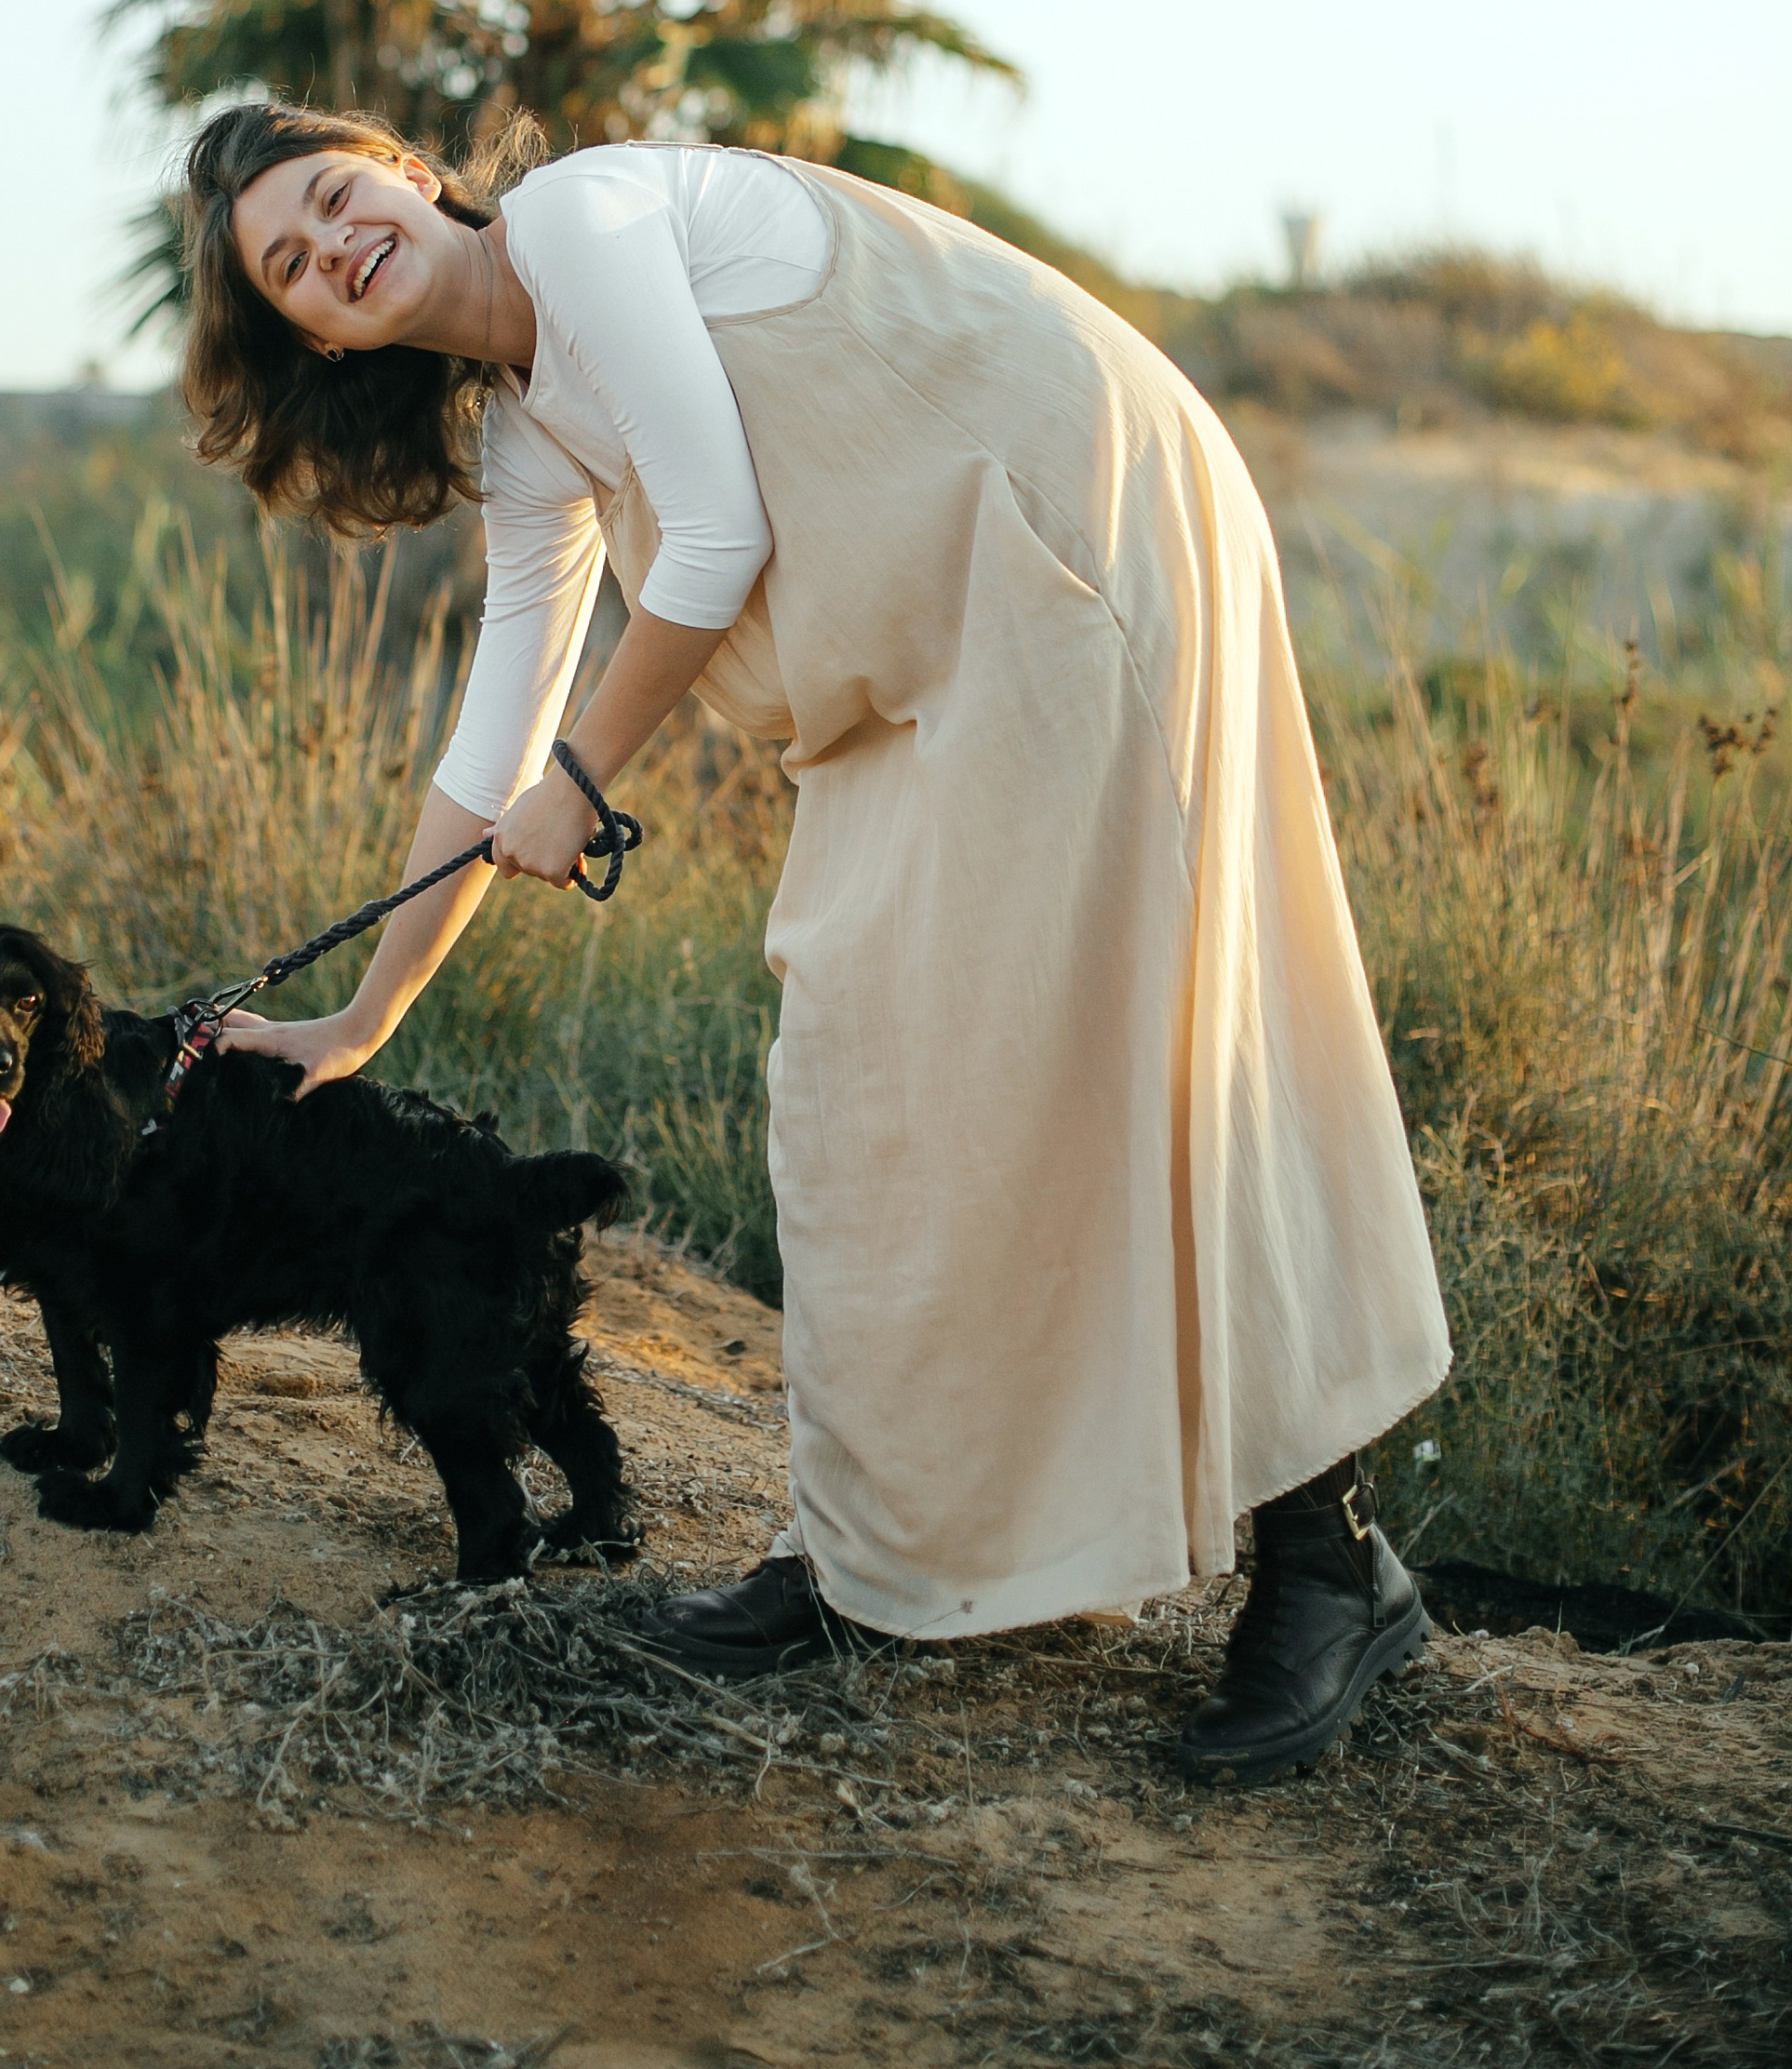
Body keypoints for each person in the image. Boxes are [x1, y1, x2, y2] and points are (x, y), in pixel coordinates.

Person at [181, 99, 1451, 1786]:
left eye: (337, 199)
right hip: (923, 658)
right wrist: (358, 1017)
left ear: (411, 175)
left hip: (1071, 529)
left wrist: (584, 780)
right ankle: (884, 1565)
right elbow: (491, 747)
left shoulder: (579, 218)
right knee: (861, 1072)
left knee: (1131, 1050)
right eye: (294, 266)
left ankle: (1331, 1558)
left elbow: (714, 534)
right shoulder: (522, 435)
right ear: (311, 332)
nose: (334, 246)